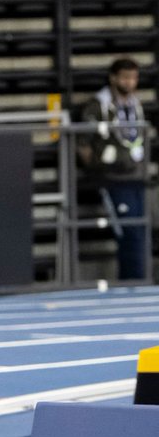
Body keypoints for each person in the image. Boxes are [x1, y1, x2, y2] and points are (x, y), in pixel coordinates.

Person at [79, 58, 150, 281]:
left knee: (140, 232)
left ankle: (138, 281)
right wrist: (97, 167)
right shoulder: (99, 105)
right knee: (128, 232)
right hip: (113, 177)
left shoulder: (135, 104)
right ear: (113, 78)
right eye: (126, 77)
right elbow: (82, 143)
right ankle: (132, 283)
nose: (130, 82)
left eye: (134, 78)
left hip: (135, 175)